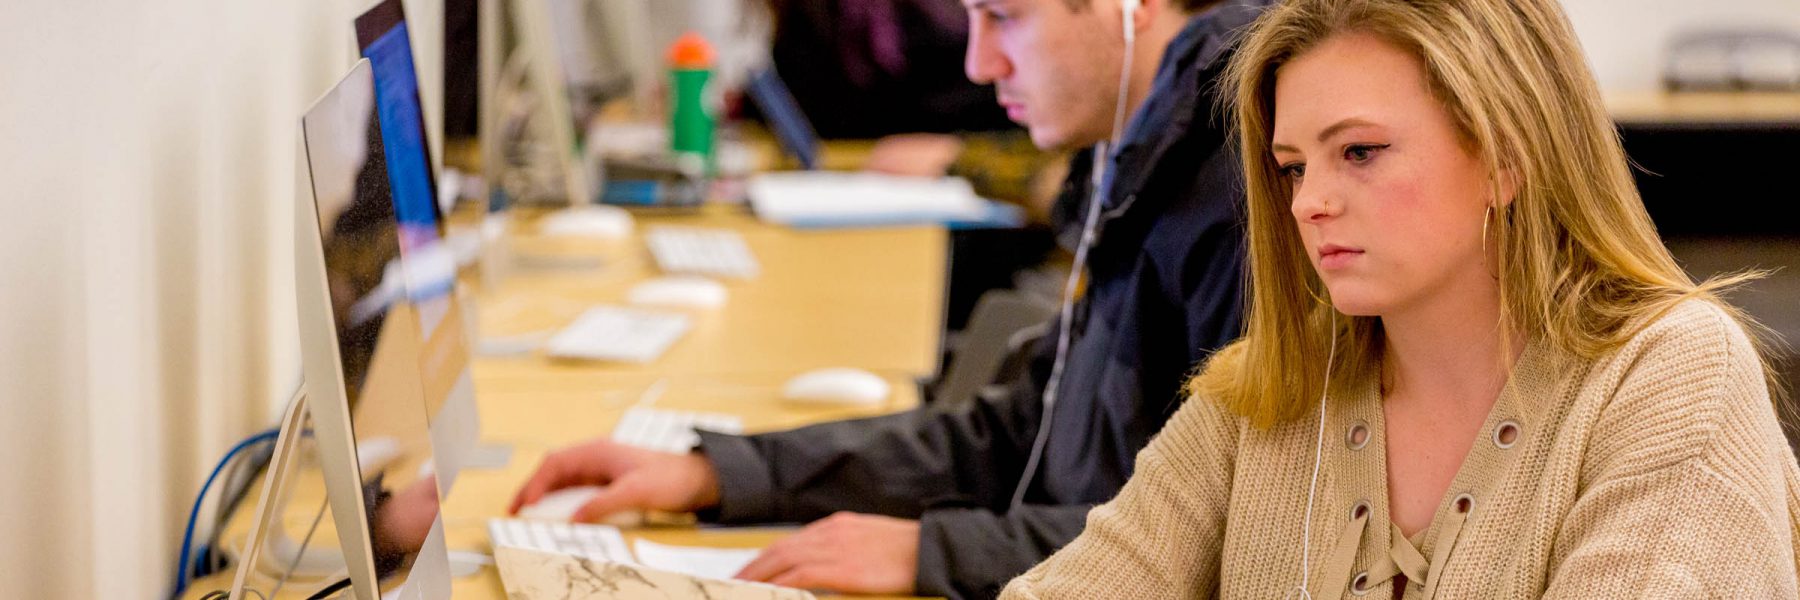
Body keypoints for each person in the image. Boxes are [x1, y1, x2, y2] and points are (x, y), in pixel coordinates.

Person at [999, 0, 1800, 597]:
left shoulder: (1671, 375)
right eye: (1292, 167)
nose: (1309, 201)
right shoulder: (1270, 388)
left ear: (1507, 156)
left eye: (1359, 152)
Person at [509, 0, 1272, 597]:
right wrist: (725, 474)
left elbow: (1223, 541)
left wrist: (933, 549)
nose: (979, 62)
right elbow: (1024, 434)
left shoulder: (1236, 188)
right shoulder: (1140, 158)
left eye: (1004, 16)